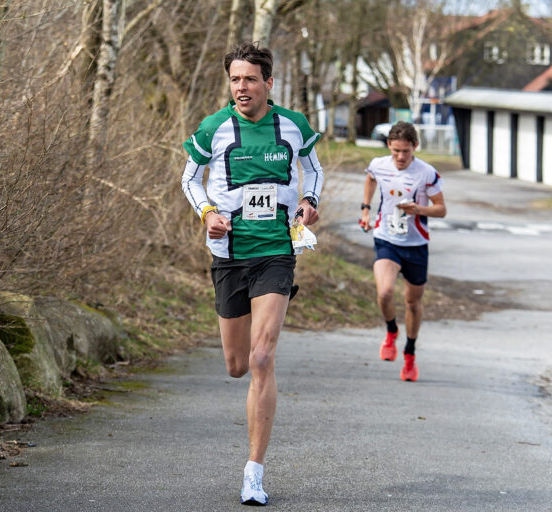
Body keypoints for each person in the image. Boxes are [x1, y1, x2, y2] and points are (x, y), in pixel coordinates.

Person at [181, 42, 324, 506]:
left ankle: (254, 472)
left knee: (263, 358)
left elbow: (313, 171)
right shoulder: (214, 128)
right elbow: (189, 179)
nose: (241, 87)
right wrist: (207, 213)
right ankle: (252, 453)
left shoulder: (293, 125)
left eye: (250, 79)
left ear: (268, 82)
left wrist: (310, 201)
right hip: (229, 253)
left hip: (276, 251)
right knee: (237, 365)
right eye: (235, 79)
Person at [359, 121, 446, 382]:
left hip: (416, 244)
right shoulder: (378, 165)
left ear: (415, 147)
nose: (400, 157)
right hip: (386, 238)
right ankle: (391, 331)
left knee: (412, 302)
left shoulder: (426, 173)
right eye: (395, 150)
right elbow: (370, 179)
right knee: (384, 292)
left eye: (405, 151)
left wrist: (419, 209)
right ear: (389, 145)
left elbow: (441, 209)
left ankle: (409, 353)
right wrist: (365, 209)